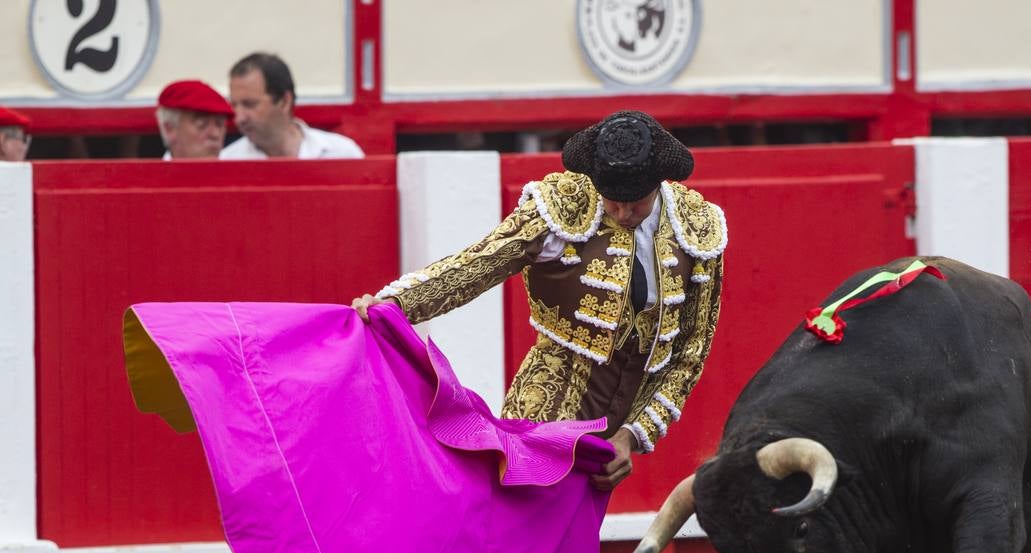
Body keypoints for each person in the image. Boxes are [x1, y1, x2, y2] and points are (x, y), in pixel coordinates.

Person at [352, 110, 728, 491]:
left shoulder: (695, 226)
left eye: (636, 203)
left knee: (575, 541)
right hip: (547, 405)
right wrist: (396, 303)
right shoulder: (562, 206)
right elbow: (476, 265)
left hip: (618, 431)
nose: (623, 213)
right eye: (612, 201)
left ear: (659, 185)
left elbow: (690, 350)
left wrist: (632, 435)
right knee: (517, 523)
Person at [220, 53, 364, 159]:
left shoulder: (341, 153)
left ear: (284, 101)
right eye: (234, 105)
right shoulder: (228, 161)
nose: (239, 118)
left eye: (249, 104)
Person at [156, 80, 233, 160]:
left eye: (220, 124)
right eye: (202, 124)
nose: (215, 134)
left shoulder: (238, 170)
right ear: (169, 129)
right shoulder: (150, 172)